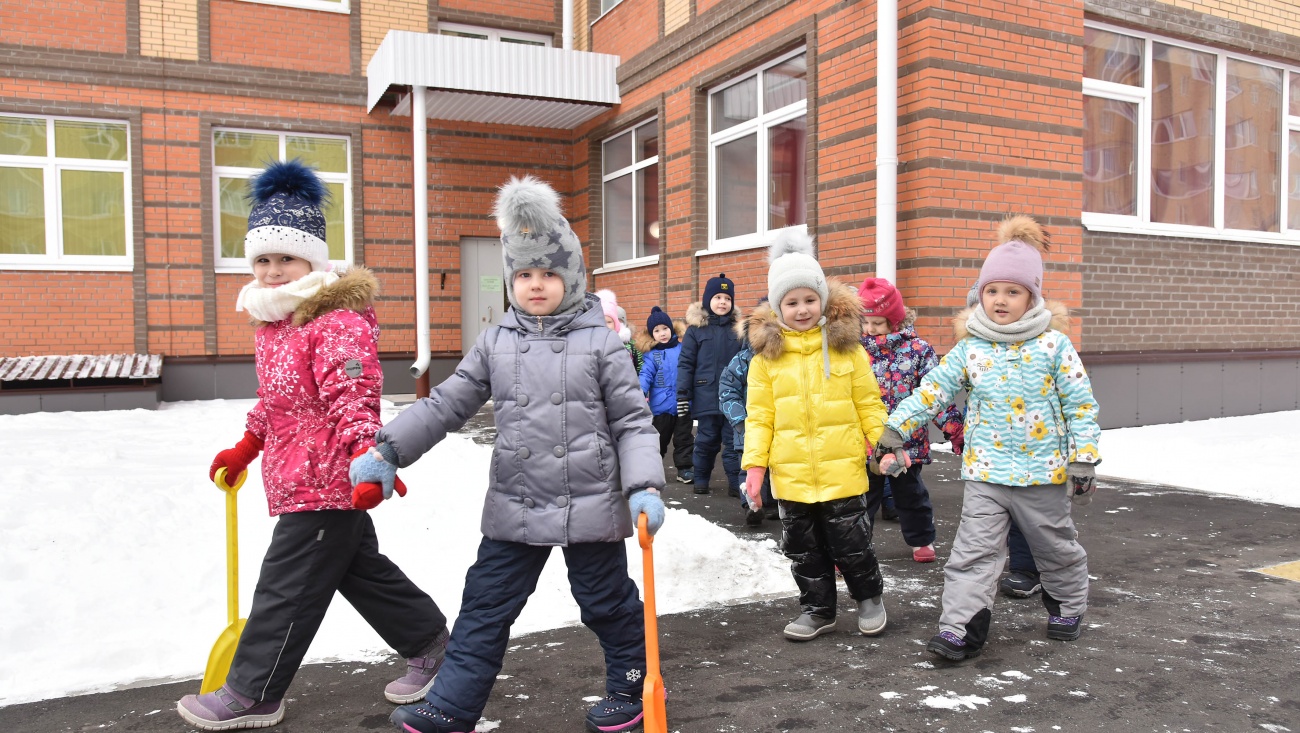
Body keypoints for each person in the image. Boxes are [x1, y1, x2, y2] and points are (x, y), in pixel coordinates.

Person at [351, 176, 667, 733]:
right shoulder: (496, 341)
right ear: (510, 281)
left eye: (548, 274)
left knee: (606, 603)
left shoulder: (600, 342)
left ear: (572, 277)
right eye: (524, 275)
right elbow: (447, 402)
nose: (535, 285)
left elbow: (632, 421)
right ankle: (451, 706)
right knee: (485, 603)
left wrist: (642, 485)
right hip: (516, 502)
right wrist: (389, 449)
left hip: (590, 502)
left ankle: (632, 688)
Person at [178, 160, 448, 731]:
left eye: (287, 258)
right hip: (298, 471)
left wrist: (368, 458)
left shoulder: (335, 321)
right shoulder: (276, 322)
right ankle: (434, 646)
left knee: (288, 585)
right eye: (263, 260)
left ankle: (254, 692)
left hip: (328, 477)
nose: (273, 271)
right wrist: (247, 445)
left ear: (313, 260)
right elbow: (278, 401)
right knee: (358, 570)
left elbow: (355, 398)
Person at [876, 215, 1101, 661]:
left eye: (1013, 291)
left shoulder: (1054, 346)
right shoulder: (971, 348)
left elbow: (1080, 404)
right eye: (992, 290)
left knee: (1054, 547)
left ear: (1032, 297)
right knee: (973, 553)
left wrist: (1084, 457)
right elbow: (932, 391)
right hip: (986, 474)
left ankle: (1067, 606)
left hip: (1043, 475)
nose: (1000, 300)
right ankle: (960, 629)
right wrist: (896, 427)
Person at [741, 231, 891, 642]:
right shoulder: (766, 361)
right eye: (791, 302)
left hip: (842, 471)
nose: (802, 309)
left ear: (823, 300)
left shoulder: (848, 350)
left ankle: (869, 598)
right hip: (791, 475)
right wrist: (755, 467)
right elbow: (759, 418)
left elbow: (869, 404)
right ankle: (818, 609)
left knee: (852, 544)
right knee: (804, 550)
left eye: (809, 299)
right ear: (778, 307)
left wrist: (885, 446)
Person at [857, 278, 965, 563]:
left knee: (911, 495)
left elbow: (934, 394)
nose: (869, 329)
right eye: (865, 322)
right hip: (866, 441)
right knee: (862, 498)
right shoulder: (854, 351)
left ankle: (921, 540)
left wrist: (954, 428)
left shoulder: (918, 350)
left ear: (894, 320)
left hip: (907, 442)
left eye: (877, 323)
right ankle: (853, 550)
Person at [677, 273, 742, 496]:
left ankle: (735, 484)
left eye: (727, 298)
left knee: (734, 443)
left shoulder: (738, 330)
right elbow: (686, 363)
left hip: (734, 398)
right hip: (706, 394)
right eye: (718, 297)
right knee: (706, 441)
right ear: (707, 300)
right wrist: (683, 394)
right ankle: (701, 479)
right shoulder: (695, 330)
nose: (723, 302)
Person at [718, 297, 776, 526]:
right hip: (749, 425)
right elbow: (727, 389)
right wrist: (740, 419)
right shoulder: (744, 359)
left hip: (780, 425)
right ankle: (751, 504)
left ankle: (772, 504)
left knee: (776, 468)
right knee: (749, 465)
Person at [637, 306, 695, 484]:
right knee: (659, 439)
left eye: (665, 329)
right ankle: (652, 468)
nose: (662, 333)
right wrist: (640, 391)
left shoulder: (682, 349)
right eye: (657, 331)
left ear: (671, 329)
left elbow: (691, 369)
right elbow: (645, 375)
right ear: (651, 334)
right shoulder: (651, 355)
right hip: (661, 406)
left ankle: (684, 469)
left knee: (684, 438)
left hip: (683, 403)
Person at [597, 289, 643, 374]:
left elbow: (640, 365)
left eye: (610, 322)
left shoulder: (631, 345)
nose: (607, 325)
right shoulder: (597, 343)